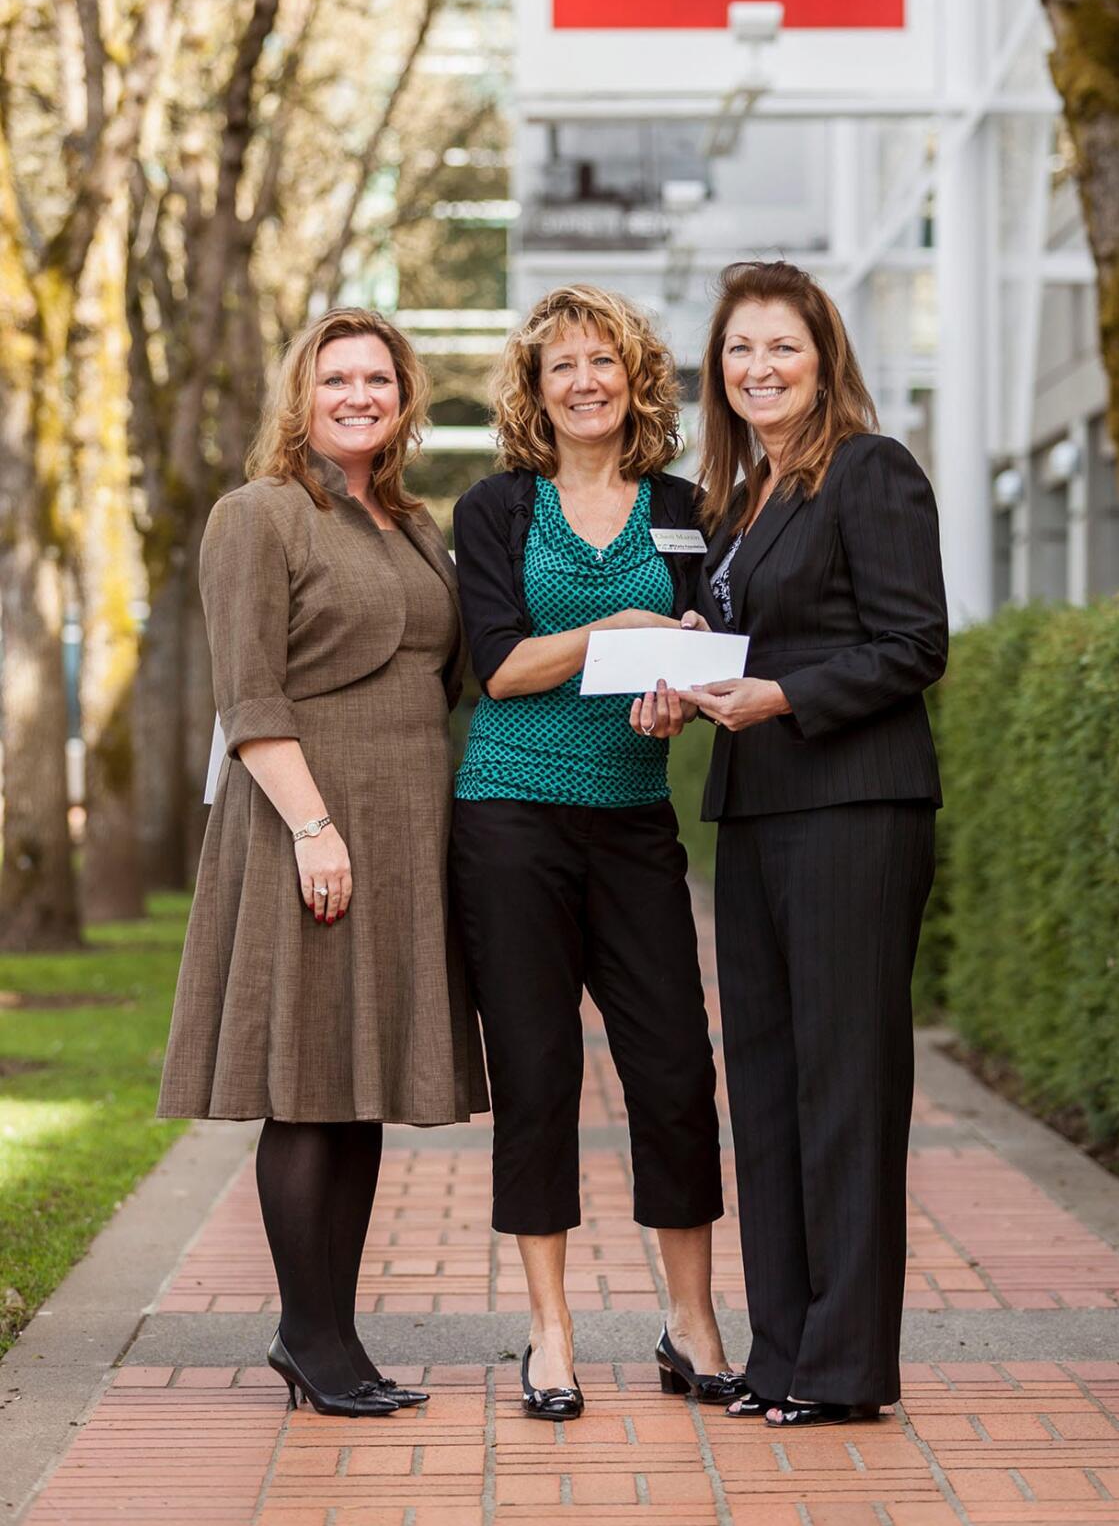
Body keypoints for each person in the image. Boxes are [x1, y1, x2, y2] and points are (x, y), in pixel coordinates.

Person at [158, 308, 487, 1419]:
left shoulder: (409, 523)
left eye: (378, 379)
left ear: (405, 397)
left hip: (407, 823)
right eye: (335, 378)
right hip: (309, 817)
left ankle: (333, 1333)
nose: (358, 395)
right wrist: (313, 827)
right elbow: (250, 694)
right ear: (300, 395)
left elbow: (448, 677)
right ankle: (308, 1337)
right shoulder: (257, 517)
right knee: (306, 1085)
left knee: (360, 1089)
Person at [635, 260, 947, 1428]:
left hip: (853, 810)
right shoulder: (738, 502)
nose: (757, 369)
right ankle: (780, 1353)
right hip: (756, 813)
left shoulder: (869, 471)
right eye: (737, 352)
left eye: (781, 349)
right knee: (762, 1086)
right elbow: (734, 643)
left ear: (824, 362)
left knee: (843, 1086)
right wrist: (681, 673)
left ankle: (844, 1366)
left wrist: (781, 695)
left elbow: (915, 643)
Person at [449, 284, 743, 1422]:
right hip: (511, 815)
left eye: (602, 362)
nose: (584, 382)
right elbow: (498, 668)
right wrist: (608, 635)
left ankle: (692, 1322)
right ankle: (551, 1334)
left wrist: (679, 687)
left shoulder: (683, 506)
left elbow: (705, 648)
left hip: (630, 820)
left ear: (635, 380)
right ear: (534, 389)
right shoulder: (495, 509)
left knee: (673, 1067)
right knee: (537, 1072)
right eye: (560, 365)